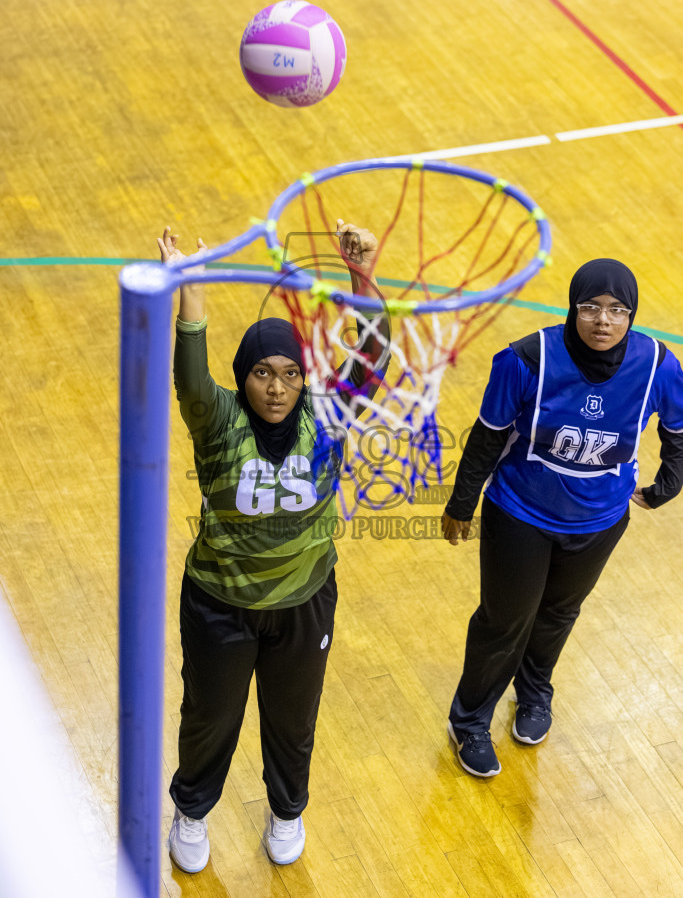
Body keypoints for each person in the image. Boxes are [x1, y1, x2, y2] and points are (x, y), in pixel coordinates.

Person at [157, 220, 388, 872]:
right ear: (243, 377)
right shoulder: (216, 416)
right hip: (218, 603)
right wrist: (191, 287)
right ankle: (192, 810)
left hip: (304, 602)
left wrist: (361, 275)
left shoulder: (328, 415)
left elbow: (368, 357)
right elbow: (189, 364)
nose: (278, 387)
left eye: (290, 374)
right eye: (262, 373)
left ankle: (287, 809)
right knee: (209, 716)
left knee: (292, 718)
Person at [441, 258, 683, 778]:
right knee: (504, 620)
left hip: (599, 522)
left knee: (557, 614)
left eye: (618, 311)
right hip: (520, 514)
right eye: (590, 307)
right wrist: (462, 504)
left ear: (632, 316)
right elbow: (487, 436)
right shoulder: (527, 359)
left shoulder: (659, 364)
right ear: (572, 308)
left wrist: (667, 485)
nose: (603, 320)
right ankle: (469, 722)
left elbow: (679, 432)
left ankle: (534, 695)